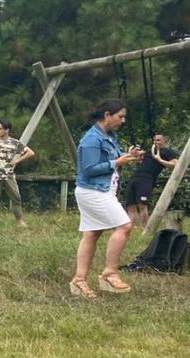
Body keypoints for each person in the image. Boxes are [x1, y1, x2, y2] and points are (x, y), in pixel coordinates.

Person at [70, 98, 142, 298]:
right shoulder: (91, 139)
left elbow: (112, 160)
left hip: (102, 191)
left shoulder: (109, 135)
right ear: (107, 116)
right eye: (120, 116)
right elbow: (88, 169)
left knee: (92, 234)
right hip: (93, 192)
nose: (123, 120)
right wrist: (116, 162)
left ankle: (79, 281)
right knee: (125, 226)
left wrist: (129, 156)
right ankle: (110, 273)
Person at [0, 119, 35, 228]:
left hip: (9, 175)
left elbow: (30, 152)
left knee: (16, 197)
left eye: (0, 128)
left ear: (7, 130)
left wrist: (17, 160)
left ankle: (20, 221)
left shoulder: (14, 143)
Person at [123, 133, 180, 228]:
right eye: (154, 140)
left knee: (142, 205)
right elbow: (137, 160)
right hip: (135, 177)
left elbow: (176, 165)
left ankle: (145, 229)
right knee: (130, 206)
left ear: (165, 141)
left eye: (158, 140)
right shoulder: (150, 151)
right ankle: (131, 229)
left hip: (147, 179)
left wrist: (160, 160)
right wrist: (137, 156)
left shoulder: (167, 152)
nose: (155, 142)